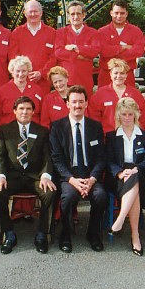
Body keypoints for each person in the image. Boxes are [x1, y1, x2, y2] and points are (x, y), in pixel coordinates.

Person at [0, 96, 57, 254]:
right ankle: (9, 233)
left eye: (28, 109)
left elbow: (48, 157)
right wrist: (0, 176)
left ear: (33, 111)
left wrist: (46, 176)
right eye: (21, 109)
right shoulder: (5, 130)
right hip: (12, 177)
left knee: (50, 193)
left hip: (35, 178)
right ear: (14, 111)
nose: (24, 112)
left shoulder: (42, 131)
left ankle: (41, 234)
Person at [50, 85, 108, 253]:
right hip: (69, 176)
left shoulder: (95, 127)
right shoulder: (57, 127)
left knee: (100, 196)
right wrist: (71, 180)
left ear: (86, 103)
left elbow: (100, 157)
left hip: (90, 175)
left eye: (81, 102)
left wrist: (93, 179)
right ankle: (66, 234)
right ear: (67, 104)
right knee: (67, 197)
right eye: (73, 102)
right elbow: (57, 158)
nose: (77, 105)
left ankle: (93, 233)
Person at [105, 98, 145, 255]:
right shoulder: (111, 136)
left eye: (130, 114)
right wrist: (119, 172)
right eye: (124, 114)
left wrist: (137, 169)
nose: (127, 117)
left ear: (136, 115)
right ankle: (135, 237)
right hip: (117, 177)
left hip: (139, 174)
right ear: (118, 115)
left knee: (135, 180)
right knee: (133, 184)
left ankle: (120, 220)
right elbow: (109, 160)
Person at [8, 0, 57, 92]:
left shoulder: (51, 33)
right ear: (25, 13)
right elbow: (13, 56)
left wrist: (41, 73)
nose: (33, 14)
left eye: (36, 11)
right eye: (30, 12)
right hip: (22, 81)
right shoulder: (17, 33)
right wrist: (24, 73)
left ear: (41, 13)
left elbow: (54, 57)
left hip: (43, 82)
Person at [54, 0, 100, 95]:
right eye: (72, 14)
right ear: (68, 16)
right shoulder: (61, 32)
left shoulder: (93, 33)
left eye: (78, 13)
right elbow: (58, 52)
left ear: (84, 15)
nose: (75, 17)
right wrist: (80, 55)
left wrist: (75, 47)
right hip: (66, 81)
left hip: (85, 80)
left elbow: (94, 51)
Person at [89, 58, 145, 132]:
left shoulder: (135, 94)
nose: (118, 76)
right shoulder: (100, 94)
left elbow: (143, 117)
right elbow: (94, 118)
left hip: (130, 137)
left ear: (126, 75)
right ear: (110, 74)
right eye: (116, 73)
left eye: (122, 73)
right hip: (107, 138)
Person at [97, 0, 145, 87]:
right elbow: (103, 51)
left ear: (126, 14)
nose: (119, 16)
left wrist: (113, 53)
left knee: (128, 100)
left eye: (122, 13)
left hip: (127, 74)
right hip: (106, 74)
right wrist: (123, 48)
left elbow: (138, 51)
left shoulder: (136, 31)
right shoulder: (102, 31)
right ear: (111, 13)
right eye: (116, 13)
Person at [0, 56, 45, 126]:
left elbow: (43, 114)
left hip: (33, 131)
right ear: (12, 72)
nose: (20, 74)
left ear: (28, 71)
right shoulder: (2, 91)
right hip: (8, 132)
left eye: (23, 71)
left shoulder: (37, 90)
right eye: (17, 71)